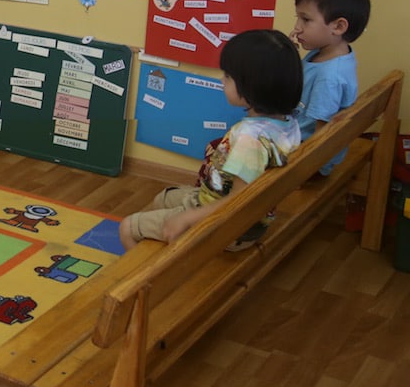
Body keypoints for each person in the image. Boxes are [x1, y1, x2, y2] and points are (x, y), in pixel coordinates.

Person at [119, 28, 302, 252]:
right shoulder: (289, 123)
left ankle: (145, 275)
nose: (221, 79)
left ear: (252, 86)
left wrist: (188, 218)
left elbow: (240, 201)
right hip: (253, 216)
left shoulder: (250, 139)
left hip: (232, 227)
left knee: (127, 227)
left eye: (227, 76)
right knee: (162, 199)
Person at [290, 0, 370, 175]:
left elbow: (321, 136)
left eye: (305, 20)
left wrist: (301, 172)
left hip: (307, 161)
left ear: (338, 26)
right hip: (297, 140)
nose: (297, 28)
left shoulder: (330, 76)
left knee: (230, 150)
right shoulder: (325, 54)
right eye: (297, 17)